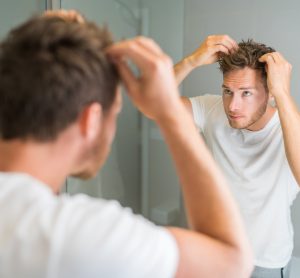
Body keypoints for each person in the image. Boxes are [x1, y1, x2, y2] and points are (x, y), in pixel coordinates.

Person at [0, 11, 252, 278]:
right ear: (91, 120)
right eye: (116, 112)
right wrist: (168, 111)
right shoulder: (77, 237)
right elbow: (232, 261)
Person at [174, 34, 299, 277]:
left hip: (265, 262)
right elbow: (152, 105)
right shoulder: (212, 110)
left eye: (246, 93)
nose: (232, 106)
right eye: (228, 91)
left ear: (270, 92)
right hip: (217, 254)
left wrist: (282, 93)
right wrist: (190, 61)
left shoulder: (290, 127)